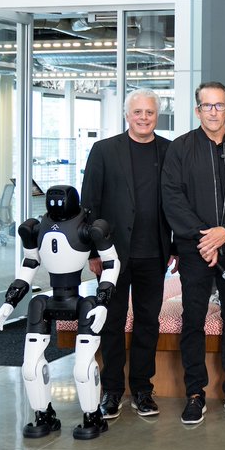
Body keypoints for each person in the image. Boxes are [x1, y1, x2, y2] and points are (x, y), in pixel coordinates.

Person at [162, 81, 225, 425]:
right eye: (207, 106)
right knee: (193, 323)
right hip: (195, 252)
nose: (214, 112)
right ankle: (195, 394)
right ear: (197, 110)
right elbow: (172, 198)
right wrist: (203, 238)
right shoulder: (180, 149)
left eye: (220, 106)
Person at [0, 185, 120, 440]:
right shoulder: (35, 228)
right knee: (30, 367)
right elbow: (30, 262)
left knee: (83, 369)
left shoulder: (92, 227)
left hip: (82, 302)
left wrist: (103, 301)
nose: (55, 203)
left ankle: (92, 415)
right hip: (48, 299)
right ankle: (43, 415)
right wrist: (10, 300)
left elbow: (111, 262)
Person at [80, 89, 175, 420]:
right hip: (112, 256)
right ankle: (111, 391)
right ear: (126, 115)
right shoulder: (104, 151)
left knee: (148, 322)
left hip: (154, 253)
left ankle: (143, 389)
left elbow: (177, 203)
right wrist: (93, 251)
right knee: (112, 323)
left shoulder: (169, 151)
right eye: (138, 112)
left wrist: (175, 246)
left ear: (156, 115)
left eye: (150, 112)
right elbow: (89, 202)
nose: (144, 117)